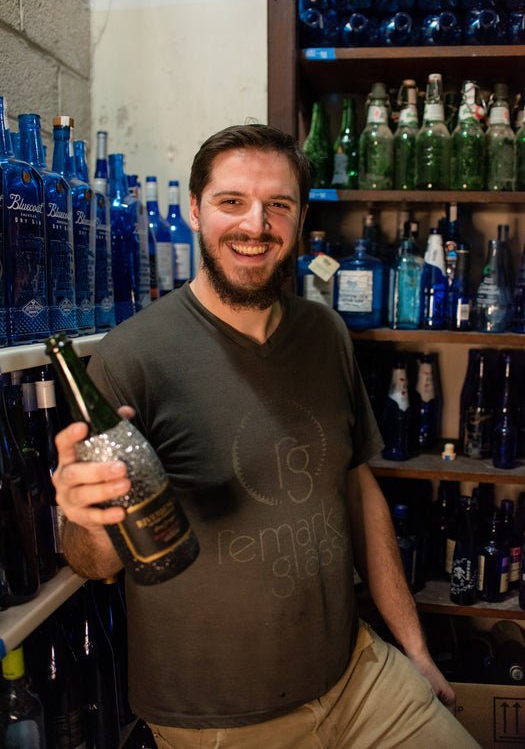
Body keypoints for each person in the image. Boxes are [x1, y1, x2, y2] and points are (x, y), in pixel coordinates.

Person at [53, 124, 480, 748]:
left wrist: (412, 648)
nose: (255, 225)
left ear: (299, 219)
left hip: (358, 675)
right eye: (232, 202)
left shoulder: (325, 332)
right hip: (221, 718)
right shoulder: (131, 358)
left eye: (277, 205)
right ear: (195, 210)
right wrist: (88, 516)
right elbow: (92, 563)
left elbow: (359, 492)